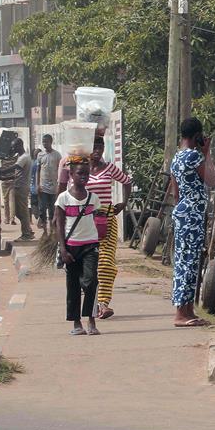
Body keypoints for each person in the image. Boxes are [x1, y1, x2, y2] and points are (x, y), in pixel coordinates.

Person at [169, 118, 215, 327]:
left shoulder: (176, 158)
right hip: (192, 216)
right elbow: (212, 180)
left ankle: (187, 310)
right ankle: (181, 314)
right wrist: (207, 154)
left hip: (182, 213)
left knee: (184, 260)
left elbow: (175, 193)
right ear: (197, 135)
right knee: (190, 262)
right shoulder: (195, 157)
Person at [85, 136, 131, 319]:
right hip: (85, 220)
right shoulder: (81, 170)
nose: (97, 150)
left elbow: (127, 181)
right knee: (87, 265)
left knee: (105, 262)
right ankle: (91, 300)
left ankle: (103, 304)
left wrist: (124, 203)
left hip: (107, 219)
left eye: (100, 146)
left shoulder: (109, 168)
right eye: (94, 146)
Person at [55, 156, 102, 335]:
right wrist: (63, 249)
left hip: (90, 245)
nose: (84, 177)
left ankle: (91, 320)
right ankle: (76, 323)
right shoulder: (63, 198)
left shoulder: (93, 198)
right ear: (71, 175)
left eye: (86, 174)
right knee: (73, 285)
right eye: (80, 173)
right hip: (71, 247)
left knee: (91, 282)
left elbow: (98, 219)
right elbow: (59, 224)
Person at [0, 138, 35, 240]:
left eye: (14, 147)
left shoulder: (24, 157)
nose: (13, 149)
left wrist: (2, 171)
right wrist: (4, 177)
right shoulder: (21, 156)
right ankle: (28, 230)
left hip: (22, 187)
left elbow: (15, 168)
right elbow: (17, 175)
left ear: (19, 146)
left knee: (22, 211)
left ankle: (26, 234)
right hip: (19, 185)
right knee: (19, 212)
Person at [35, 134, 62, 232]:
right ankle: (45, 230)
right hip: (43, 188)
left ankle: (52, 231)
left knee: (52, 210)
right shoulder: (40, 155)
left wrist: (60, 184)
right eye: (43, 142)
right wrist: (37, 184)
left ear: (51, 142)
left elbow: (60, 170)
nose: (45, 144)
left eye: (46, 141)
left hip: (53, 188)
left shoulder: (57, 155)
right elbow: (38, 170)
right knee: (42, 209)